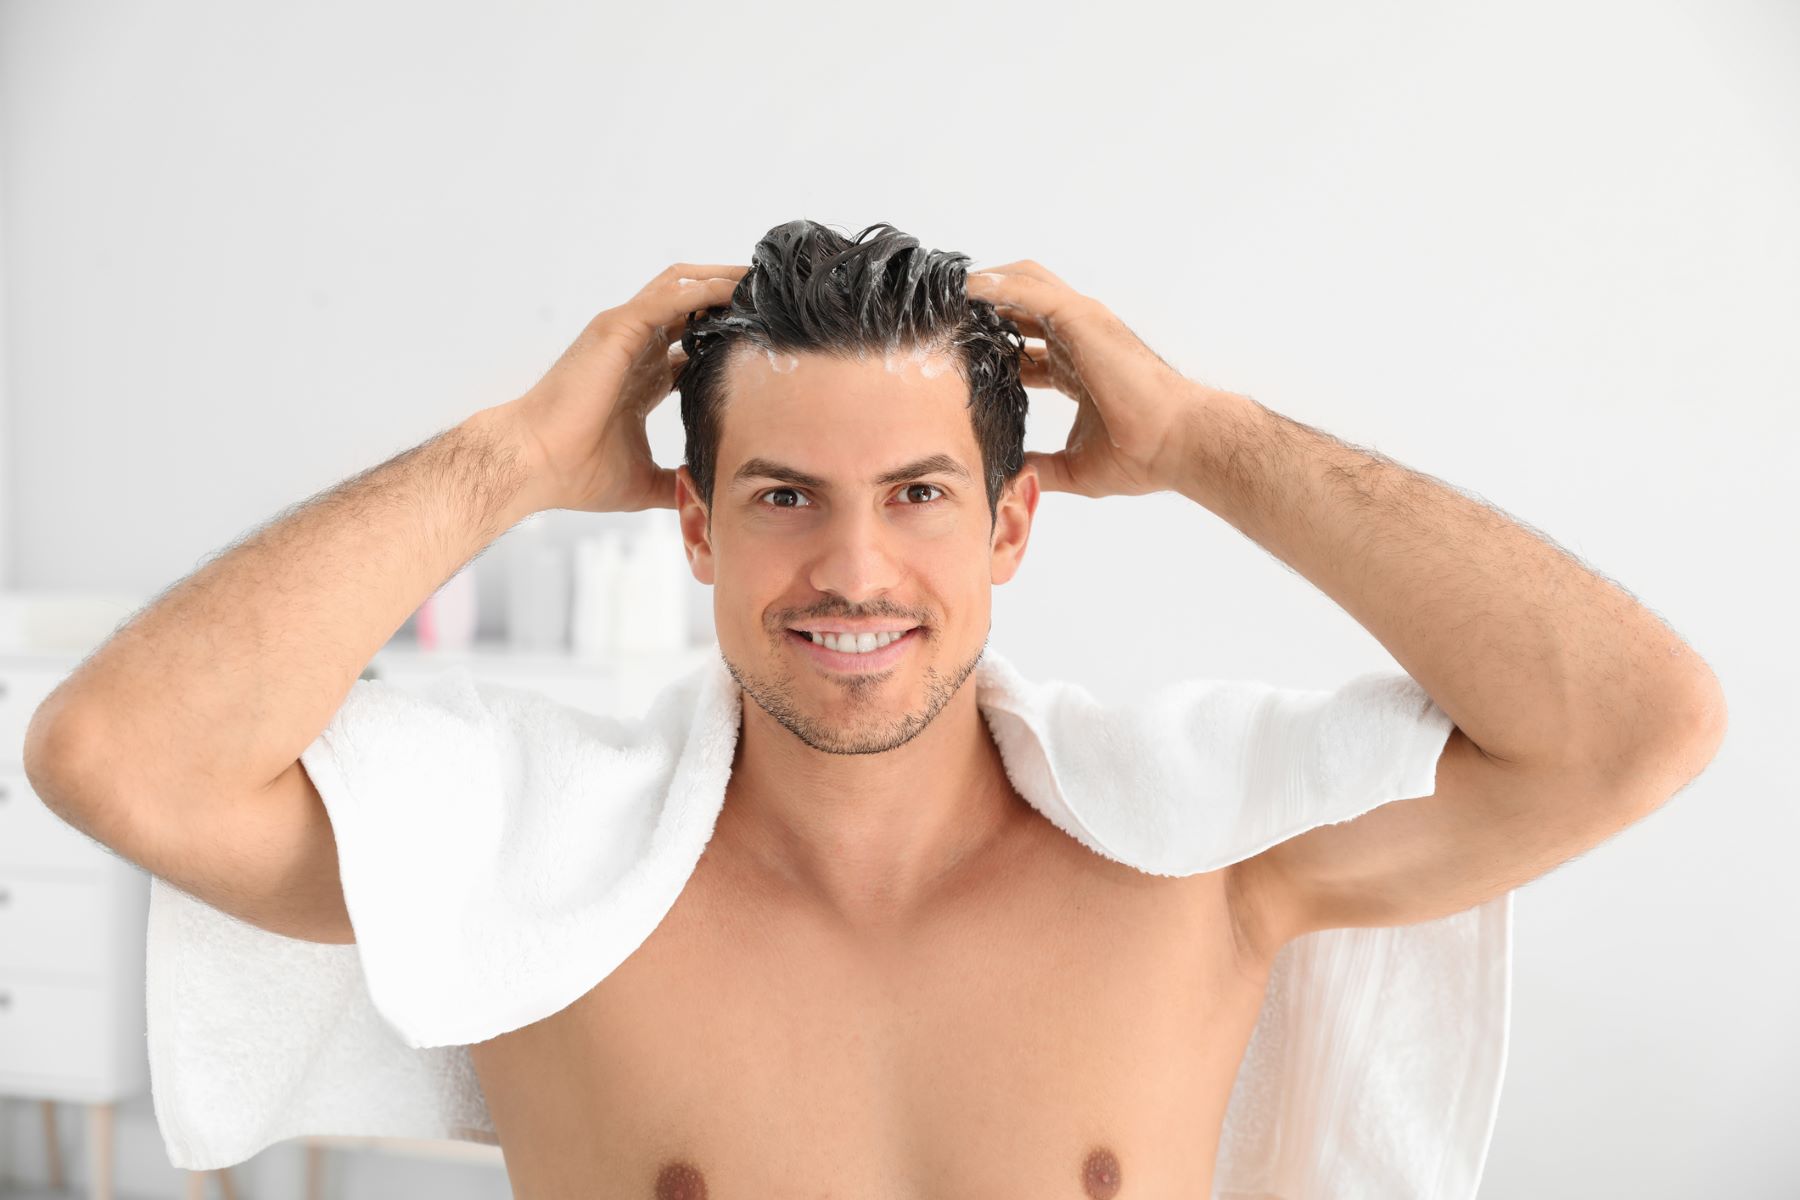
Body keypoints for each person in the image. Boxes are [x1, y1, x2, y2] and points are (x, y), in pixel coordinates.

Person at [24, 219, 1726, 1198]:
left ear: (1011, 522)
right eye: (779, 496)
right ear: (692, 521)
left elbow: (1639, 725)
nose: (852, 570)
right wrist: (516, 460)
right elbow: (115, 757)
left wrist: (1211, 439)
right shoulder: (536, 882)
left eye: (918, 494)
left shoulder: (1207, 868)